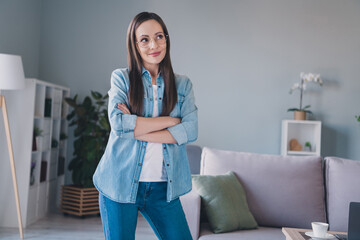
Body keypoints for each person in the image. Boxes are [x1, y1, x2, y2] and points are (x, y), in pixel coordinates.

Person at [92, 12, 198, 240]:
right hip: (119, 183)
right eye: (145, 39)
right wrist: (171, 122)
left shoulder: (182, 85)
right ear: (135, 45)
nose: (154, 45)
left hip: (163, 189)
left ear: (167, 39)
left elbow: (190, 131)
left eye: (159, 36)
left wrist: (138, 128)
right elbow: (119, 126)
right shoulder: (121, 78)